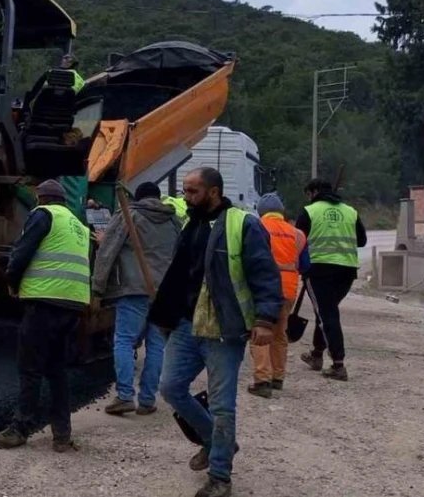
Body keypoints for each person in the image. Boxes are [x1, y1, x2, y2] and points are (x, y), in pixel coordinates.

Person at [149, 167, 283, 497]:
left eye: (192, 191)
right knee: (170, 387)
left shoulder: (244, 224)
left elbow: (265, 274)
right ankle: (214, 440)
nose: (186, 197)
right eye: (185, 190)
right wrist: (165, 315)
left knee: (223, 405)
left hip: (225, 330)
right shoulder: (190, 223)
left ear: (213, 192)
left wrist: (265, 320)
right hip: (187, 324)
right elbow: (180, 274)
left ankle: (220, 476)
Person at [0, 179, 91, 453]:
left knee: (30, 367)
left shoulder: (43, 215)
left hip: (44, 301)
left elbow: (22, 251)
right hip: (73, 303)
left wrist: (11, 280)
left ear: (41, 199)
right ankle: (62, 434)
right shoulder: (79, 225)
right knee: (56, 369)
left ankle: (20, 428)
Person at [93, 181, 182, 416]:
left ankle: (124, 396)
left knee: (124, 340)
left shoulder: (129, 215)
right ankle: (147, 399)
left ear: (139, 198)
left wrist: (98, 286)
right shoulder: (174, 221)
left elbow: (108, 250)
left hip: (133, 288)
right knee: (157, 345)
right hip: (164, 292)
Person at [296, 177, 367, 381]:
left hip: (319, 270)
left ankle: (338, 364)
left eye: (309, 194)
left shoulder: (309, 211)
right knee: (327, 312)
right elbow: (361, 241)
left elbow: (298, 241)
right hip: (346, 271)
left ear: (315, 192)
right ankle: (316, 355)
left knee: (327, 314)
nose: (308, 198)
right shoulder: (350, 211)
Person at [248, 193, 310, 398]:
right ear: (281, 211)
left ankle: (262, 380)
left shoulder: (256, 227)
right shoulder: (297, 234)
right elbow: (305, 265)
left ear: (260, 211)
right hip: (288, 290)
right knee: (279, 334)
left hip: (262, 290)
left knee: (260, 332)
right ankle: (278, 377)